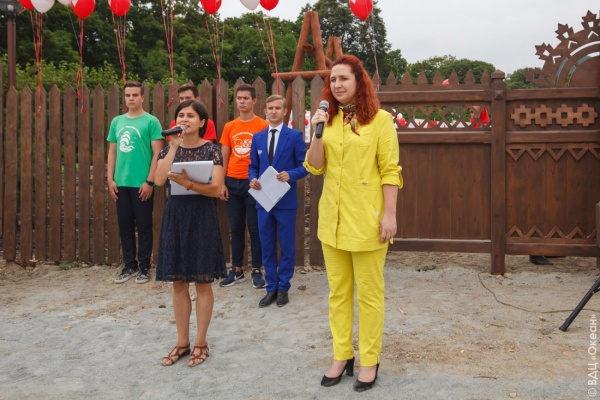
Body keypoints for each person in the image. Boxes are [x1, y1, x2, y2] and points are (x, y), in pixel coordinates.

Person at [304, 55, 403, 392]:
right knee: (338, 293)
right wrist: (317, 134)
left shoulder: (381, 121)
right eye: (332, 80)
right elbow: (315, 167)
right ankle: (341, 354)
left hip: (367, 222)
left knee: (370, 296)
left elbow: (390, 170)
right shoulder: (327, 121)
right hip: (332, 222)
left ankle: (369, 360)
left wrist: (389, 214)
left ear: (359, 82)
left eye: (343, 78)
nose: (337, 85)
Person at [154, 100, 227, 367]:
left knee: (202, 281)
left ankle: (201, 342)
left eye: (191, 116)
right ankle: (182, 342)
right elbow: (158, 180)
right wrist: (174, 147)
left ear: (202, 122)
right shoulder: (168, 150)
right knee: (178, 282)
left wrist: (189, 183)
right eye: (181, 115)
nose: (184, 119)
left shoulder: (212, 150)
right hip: (176, 217)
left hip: (202, 217)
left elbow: (216, 188)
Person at [248, 95, 308, 308]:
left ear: (284, 111)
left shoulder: (294, 136)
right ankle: (271, 287)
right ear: (265, 111)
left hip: (285, 201)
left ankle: (284, 287)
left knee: (287, 245)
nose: (273, 111)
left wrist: (291, 174)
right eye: (270, 108)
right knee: (266, 245)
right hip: (263, 200)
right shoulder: (258, 137)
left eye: (277, 108)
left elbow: (304, 165)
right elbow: (253, 165)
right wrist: (252, 179)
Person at [107, 81, 164, 284]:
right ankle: (129, 265)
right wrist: (110, 179)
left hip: (142, 184)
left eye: (135, 95)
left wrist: (150, 181)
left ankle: (144, 267)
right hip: (121, 183)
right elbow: (112, 152)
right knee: (125, 225)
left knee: (144, 225)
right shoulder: (117, 122)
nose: (131, 98)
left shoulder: (151, 122)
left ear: (142, 97)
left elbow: (158, 153)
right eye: (128, 95)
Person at [219, 84, 269, 289]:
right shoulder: (230, 126)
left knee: (255, 228)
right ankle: (237, 269)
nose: (242, 101)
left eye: (246, 98)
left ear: (254, 100)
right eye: (239, 98)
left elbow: (267, 156)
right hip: (232, 181)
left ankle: (257, 269)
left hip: (254, 183)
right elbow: (224, 156)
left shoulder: (263, 125)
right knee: (236, 227)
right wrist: (221, 183)